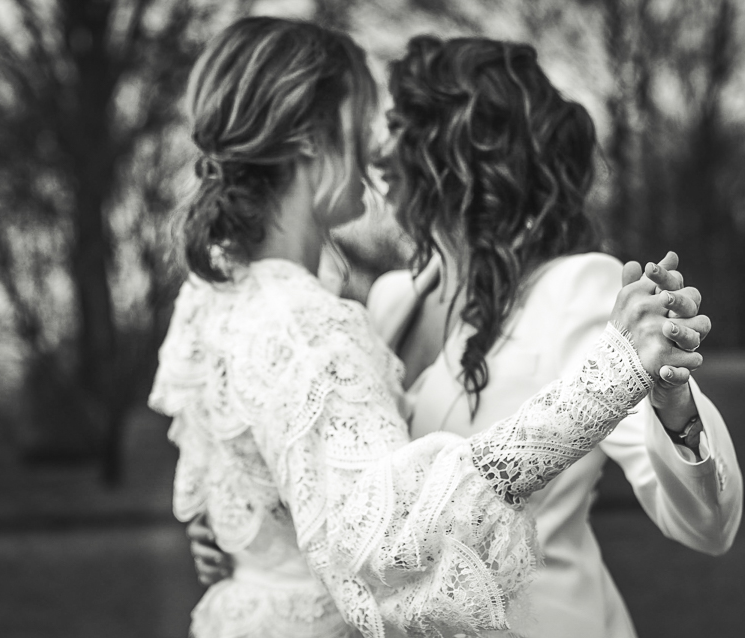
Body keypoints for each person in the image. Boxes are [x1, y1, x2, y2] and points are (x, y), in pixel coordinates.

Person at [154, 18, 710, 638]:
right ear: (311, 136)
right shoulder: (358, 307)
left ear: (457, 152)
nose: (376, 151)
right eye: (368, 119)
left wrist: (662, 390)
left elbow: (705, 519)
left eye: (393, 128)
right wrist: (252, 534)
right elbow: (365, 520)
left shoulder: (218, 294)